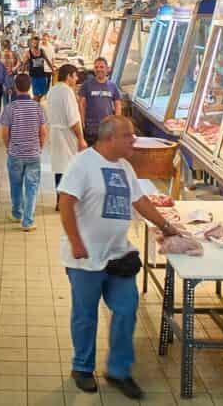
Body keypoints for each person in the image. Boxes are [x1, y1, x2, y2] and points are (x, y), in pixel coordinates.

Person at [58, 116, 180, 399]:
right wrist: (76, 241)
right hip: (85, 258)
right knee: (85, 316)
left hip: (118, 254)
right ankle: (82, 368)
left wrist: (166, 226)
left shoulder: (125, 167)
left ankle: (118, 371)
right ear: (109, 138)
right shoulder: (83, 163)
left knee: (126, 309)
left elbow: (140, 202)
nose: (134, 141)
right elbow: (65, 202)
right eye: (128, 136)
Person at [0, 73, 48, 231]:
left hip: (16, 154)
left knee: (15, 185)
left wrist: (9, 147)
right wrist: (39, 147)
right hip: (33, 154)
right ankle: (28, 221)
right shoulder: (38, 107)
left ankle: (16, 213)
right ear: (30, 88)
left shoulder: (9, 108)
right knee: (32, 187)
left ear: (15, 88)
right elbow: (43, 131)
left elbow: (4, 132)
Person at [46, 64, 88, 210]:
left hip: (55, 133)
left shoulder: (52, 90)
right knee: (69, 169)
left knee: (59, 169)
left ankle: (60, 201)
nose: (76, 79)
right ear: (69, 76)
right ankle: (67, 203)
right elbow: (72, 119)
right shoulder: (66, 92)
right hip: (67, 135)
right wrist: (81, 138)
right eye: (75, 76)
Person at [78, 58, 122, 145]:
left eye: (101, 67)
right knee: (91, 153)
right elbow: (81, 104)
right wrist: (82, 122)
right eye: (96, 67)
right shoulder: (86, 85)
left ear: (107, 69)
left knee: (106, 154)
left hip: (107, 127)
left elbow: (118, 104)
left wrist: (117, 122)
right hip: (90, 127)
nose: (99, 69)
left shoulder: (113, 86)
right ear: (94, 69)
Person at [22, 35, 53, 101]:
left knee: (43, 93)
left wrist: (52, 69)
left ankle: (36, 103)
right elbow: (24, 64)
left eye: (37, 43)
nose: (35, 44)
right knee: (36, 94)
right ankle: (34, 106)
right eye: (34, 43)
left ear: (39, 43)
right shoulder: (28, 53)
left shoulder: (42, 51)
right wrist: (22, 74)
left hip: (42, 75)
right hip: (34, 77)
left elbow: (47, 60)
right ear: (31, 43)